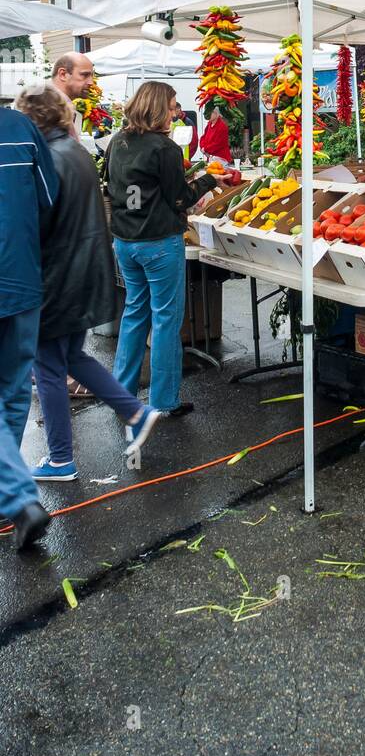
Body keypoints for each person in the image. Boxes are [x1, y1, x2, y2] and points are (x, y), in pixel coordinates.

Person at [15, 85, 160, 481]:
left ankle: (61, 459)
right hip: (83, 273)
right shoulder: (74, 151)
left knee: (47, 365)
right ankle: (135, 410)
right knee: (72, 358)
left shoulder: (46, 159)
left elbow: (34, 226)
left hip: (56, 278)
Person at [104, 82, 227, 418]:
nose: (176, 112)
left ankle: (122, 395)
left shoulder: (118, 141)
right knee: (165, 321)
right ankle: (163, 400)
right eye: (173, 106)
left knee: (134, 315)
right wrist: (210, 180)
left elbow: (117, 188)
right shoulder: (165, 148)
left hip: (125, 242)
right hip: (159, 243)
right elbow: (180, 198)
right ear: (159, 107)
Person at [0, 103, 58, 550]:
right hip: (22, 277)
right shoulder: (20, 127)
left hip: (19, 278)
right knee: (15, 390)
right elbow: (47, 199)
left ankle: (18, 499)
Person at [51, 52, 95, 137]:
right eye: (84, 75)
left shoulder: (54, 108)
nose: (91, 82)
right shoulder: (45, 110)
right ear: (63, 74)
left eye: (91, 76)